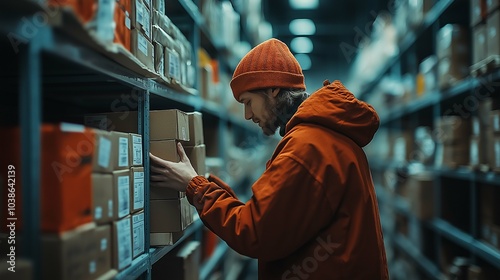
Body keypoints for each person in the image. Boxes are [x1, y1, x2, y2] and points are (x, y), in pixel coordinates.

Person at [150, 38, 389, 279]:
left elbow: (254, 233)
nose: (246, 115)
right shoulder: (323, 136)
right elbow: (270, 219)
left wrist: (195, 187)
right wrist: (205, 186)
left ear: (273, 89)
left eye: (248, 102)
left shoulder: (306, 148)